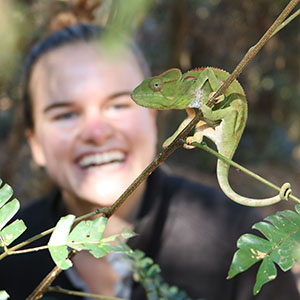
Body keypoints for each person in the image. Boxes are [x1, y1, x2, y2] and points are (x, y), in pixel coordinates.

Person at [0, 19, 298, 300]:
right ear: (34, 143)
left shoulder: (237, 233)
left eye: (118, 105)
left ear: (153, 116)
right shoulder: (10, 254)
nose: (97, 132)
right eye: (66, 114)